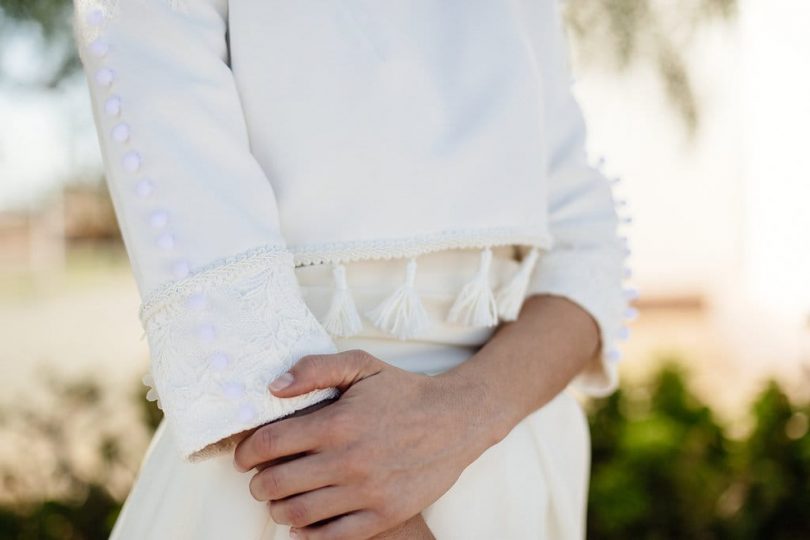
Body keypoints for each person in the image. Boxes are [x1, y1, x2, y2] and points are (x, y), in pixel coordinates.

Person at [73, 0, 635, 538]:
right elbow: (206, 266)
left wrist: (465, 414)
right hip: (293, 489)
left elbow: (585, 247)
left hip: (509, 450)